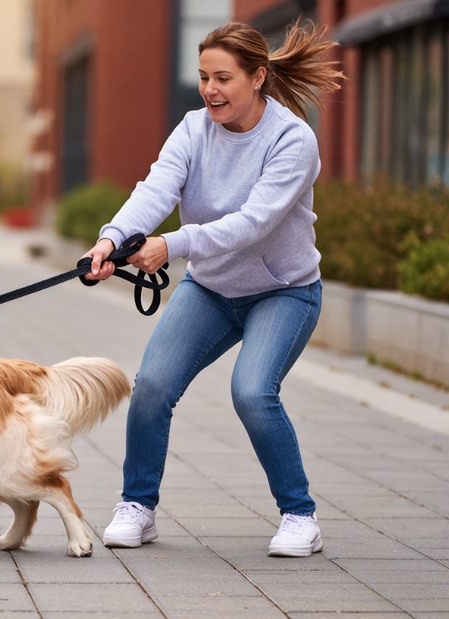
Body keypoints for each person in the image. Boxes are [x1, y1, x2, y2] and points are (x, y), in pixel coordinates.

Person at [82, 21, 344, 558]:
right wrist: (110, 242)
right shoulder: (193, 129)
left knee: (252, 391)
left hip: (284, 292)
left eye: (223, 78)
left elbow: (254, 223)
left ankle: (300, 517)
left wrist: (172, 245)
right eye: (203, 77)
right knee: (152, 384)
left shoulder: (293, 140)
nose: (210, 90)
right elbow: (155, 189)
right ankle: (138, 505)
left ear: (258, 77)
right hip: (211, 289)